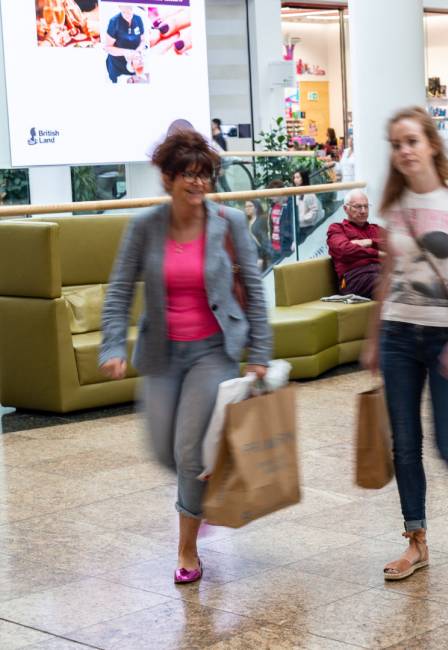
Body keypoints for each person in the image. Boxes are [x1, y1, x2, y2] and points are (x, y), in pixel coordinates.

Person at [98, 130, 272, 583]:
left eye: (204, 176)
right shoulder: (145, 227)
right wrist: (113, 345)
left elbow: (253, 287)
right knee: (163, 449)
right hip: (162, 352)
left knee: (190, 451)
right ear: (167, 178)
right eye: (187, 176)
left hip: (213, 350)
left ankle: (188, 551)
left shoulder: (228, 222)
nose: (197, 185)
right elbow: (118, 290)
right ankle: (200, 489)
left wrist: (261, 352)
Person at [362, 106, 448, 581]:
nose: (404, 151)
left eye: (411, 141)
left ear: (432, 144)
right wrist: (374, 336)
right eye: (396, 145)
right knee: (405, 445)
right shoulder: (394, 208)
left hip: (445, 337)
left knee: (444, 440)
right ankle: (416, 541)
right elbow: (387, 277)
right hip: (397, 334)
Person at [327, 189, 383, 297]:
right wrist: (378, 253)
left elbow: (393, 243)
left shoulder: (375, 229)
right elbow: (344, 250)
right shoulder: (337, 228)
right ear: (345, 209)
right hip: (355, 278)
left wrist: (369, 242)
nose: (363, 211)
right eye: (358, 207)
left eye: (366, 206)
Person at [102, 4, 145, 83]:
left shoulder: (138, 19)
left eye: (130, 11)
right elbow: (107, 47)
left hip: (134, 65)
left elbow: (143, 40)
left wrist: (138, 51)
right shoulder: (114, 22)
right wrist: (127, 52)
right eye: (124, 12)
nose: (127, 15)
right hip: (117, 66)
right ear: (119, 8)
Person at [244, 199, 273, 270]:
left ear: (256, 207)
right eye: (246, 206)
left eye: (250, 206)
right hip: (251, 257)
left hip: (261, 258)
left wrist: (261, 257)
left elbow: (264, 241)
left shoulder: (261, 220)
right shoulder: (246, 222)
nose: (247, 208)